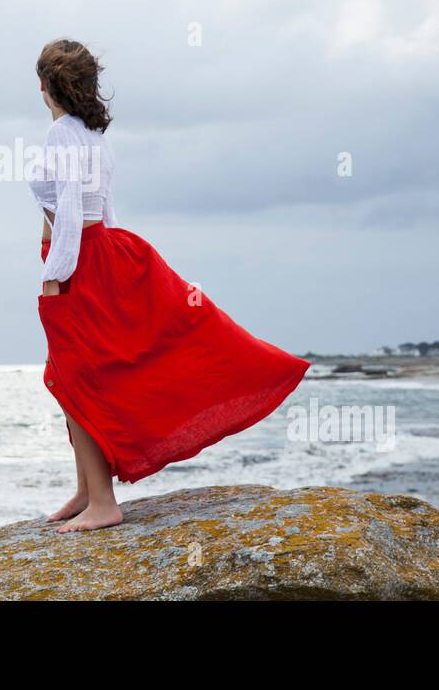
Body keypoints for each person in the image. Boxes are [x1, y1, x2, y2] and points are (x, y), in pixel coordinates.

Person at [28, 38, 311, 533]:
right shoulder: (94, 136)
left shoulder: (62, 136)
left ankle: (103, 503)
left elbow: (71, 208)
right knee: (69, 374)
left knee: (77, 378)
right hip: (104, 250)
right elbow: (104, 208)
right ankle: (86, 489)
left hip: (80, 261)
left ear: (46, 85)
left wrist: (57, 275)